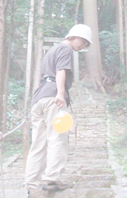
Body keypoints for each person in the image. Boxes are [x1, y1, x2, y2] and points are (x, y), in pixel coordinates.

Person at [24, 24, 92, 193]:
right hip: (53, 97)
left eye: (85, 44)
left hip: (39, 98)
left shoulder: (51, 51)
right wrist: (60, 93)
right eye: (82, 42)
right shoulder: (66, 49)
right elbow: (61, 70)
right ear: (73, 36)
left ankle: (31, 183)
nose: (83, 46)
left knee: (38, 143)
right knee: (57, 137)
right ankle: (51, 178)